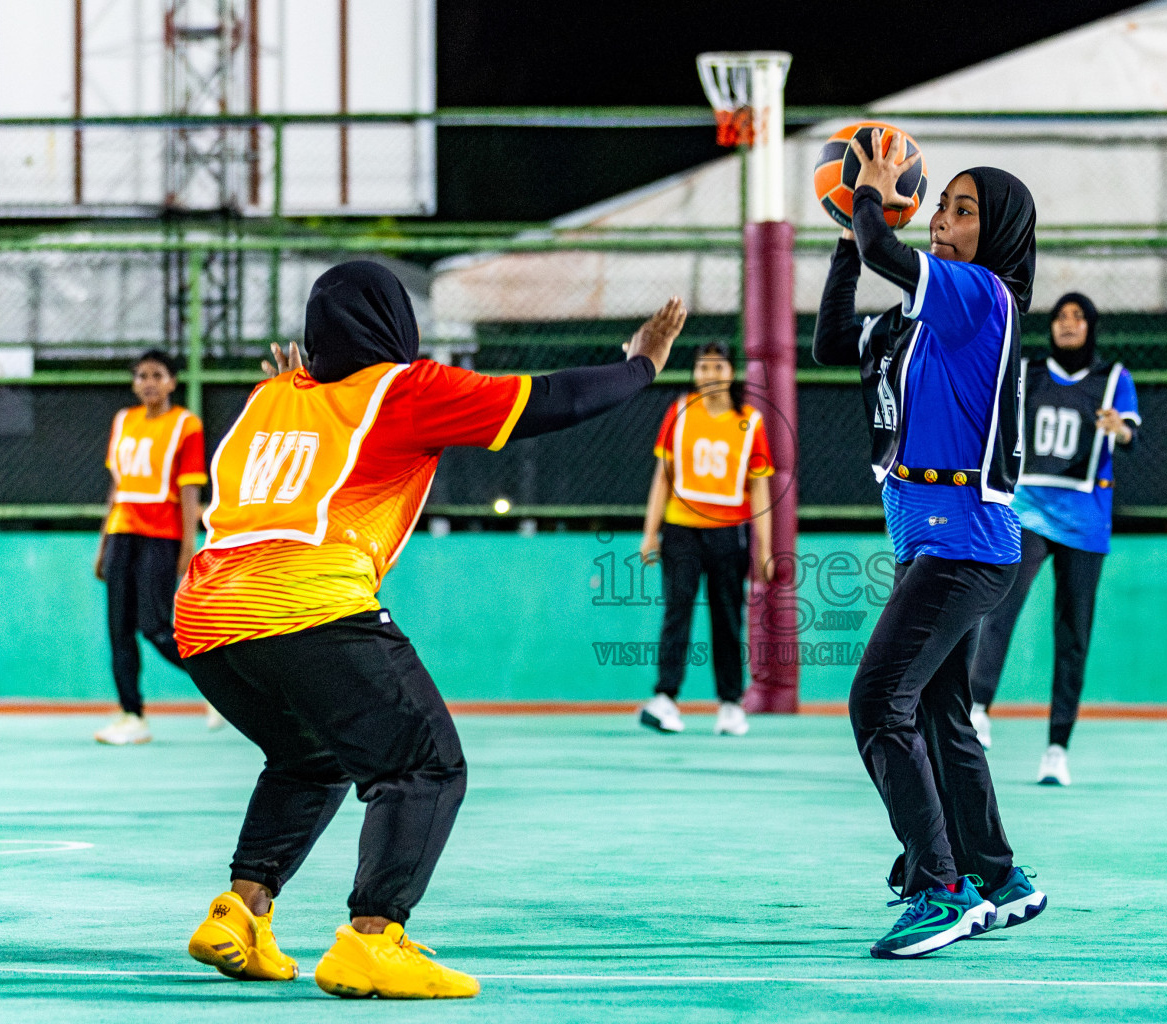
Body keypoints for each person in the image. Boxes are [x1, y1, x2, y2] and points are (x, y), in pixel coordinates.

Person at [177, 261, 686, 999]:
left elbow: (303, 428)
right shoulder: (403, 389)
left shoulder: (271, 396)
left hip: (206, 618)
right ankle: (373, 938)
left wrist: (303, 378)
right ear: (393, 324)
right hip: (305, 601)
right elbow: (549, 400)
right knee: (425, 766)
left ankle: (239, 914)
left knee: (310, 755)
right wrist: (640, 366)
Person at [812, 133, 1046, 959]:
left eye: (961, 208)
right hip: (932, 543)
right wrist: (849, 241)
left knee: (877, 702)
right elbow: (835, 342)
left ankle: (941, 888)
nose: (942, 218)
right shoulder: (925, 322)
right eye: (940, 205)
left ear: (1002, 231)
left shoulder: (982, 296)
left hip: (966, 545)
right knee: (941, 712)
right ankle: (995, 874)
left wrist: (869, 197)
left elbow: (888, 248)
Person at [967, 292, 1140, 786]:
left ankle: (1057, 748)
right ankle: (978, 705)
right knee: (998, 605)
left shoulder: (1113, 381)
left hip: (1085, 521)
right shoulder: (1027, 373)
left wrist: (1121, 432)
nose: (1068, 324)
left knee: (1072, 635)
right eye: (1061, 316)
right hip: (1028, 511)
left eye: (1078, 317)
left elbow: (1131, 434)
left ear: (1092, 326)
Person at [636, 341, 774, 737]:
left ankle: (731, 705)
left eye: (717, 367)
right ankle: (665, 699)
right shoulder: (679, 412)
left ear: (730, 373)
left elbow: (761, 489)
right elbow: (662, 477)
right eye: (703, 367)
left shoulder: (750, 422)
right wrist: (650, 532)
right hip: (681, 530)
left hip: (730, 534)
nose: (709, 374)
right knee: (676, 612)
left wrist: (764, 547)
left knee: (728, 619)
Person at [92, 350, 212, 745]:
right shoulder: (122, 421)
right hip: (122, 532)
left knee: (156, 626)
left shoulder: (186, 425)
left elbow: (190, 487)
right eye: (141, 375)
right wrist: (102, 543)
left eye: (157, 375)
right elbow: (117, 486)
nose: (148, 382)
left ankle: (221, 687)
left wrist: (188, 544)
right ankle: (132, 716)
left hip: (161, 535)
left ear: (172, 382)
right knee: (119, 628)